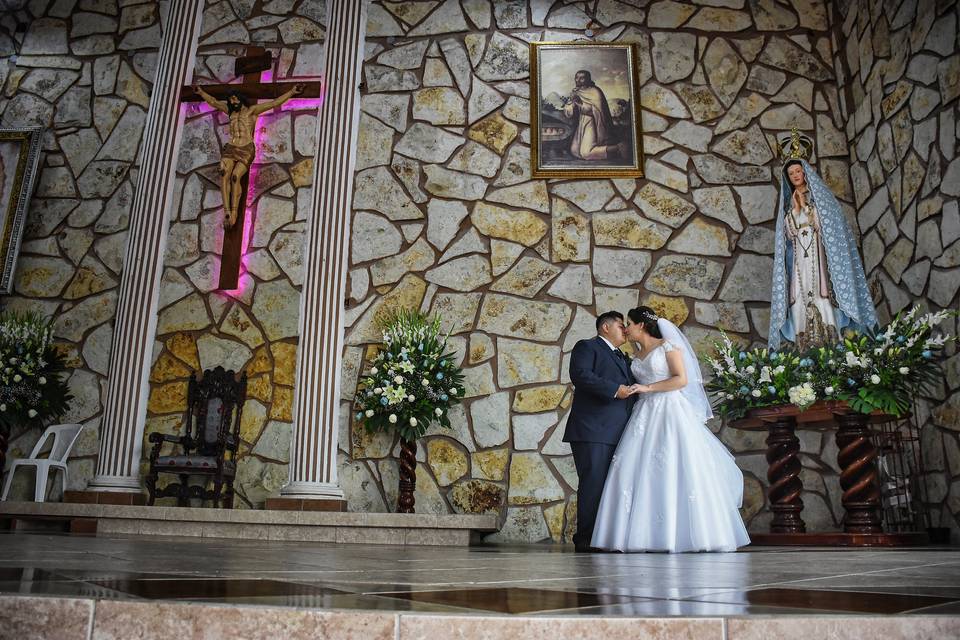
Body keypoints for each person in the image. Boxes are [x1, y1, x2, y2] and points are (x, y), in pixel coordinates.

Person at [591, 306, 750, 553]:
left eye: (629, 324)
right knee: (638, 470)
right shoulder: (635, 355)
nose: (626, 329)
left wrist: (649, 388)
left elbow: (681, 379)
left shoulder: (668, 346)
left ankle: (685, 534)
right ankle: (643, 535)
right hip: (643, 415)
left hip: (670, 411)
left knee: (676, 465)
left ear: (641, 325)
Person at [769, 128, 878, 350]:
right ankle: (803, 347)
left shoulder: (822, 200)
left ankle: (833, 343)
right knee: (799, 301)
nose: (796, 176)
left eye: (798, 171)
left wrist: (808, 208)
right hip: (799, 263)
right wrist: (796, 208)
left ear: (805, 172)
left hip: (820, 263)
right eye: (791, 174)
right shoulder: (789, 208)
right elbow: (788, 236)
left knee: (823, 298)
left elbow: (828, 227)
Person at [564, 311, 638, 552]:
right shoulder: (587, 347)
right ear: (605, 327)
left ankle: (606, 537)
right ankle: (586, 540)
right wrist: (615, 390)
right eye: (620, 325)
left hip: (619, 432)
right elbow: (581, 375)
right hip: (593, 430)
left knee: (612, 487)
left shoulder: (623, 357)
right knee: (593, 484)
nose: (624, 330)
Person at [193, 83, 304, 228]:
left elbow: (274, 102)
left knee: (235, 177)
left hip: (246, 148)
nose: (232, 102)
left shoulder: (252, 111)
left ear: (240, 98)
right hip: (231, 147)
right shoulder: (230, 112)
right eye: (230, 100)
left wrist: (291, 92)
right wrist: (201, 92)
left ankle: (234, 212)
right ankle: (227, 212)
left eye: (234, 99)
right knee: (224, 174)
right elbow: (213, 102)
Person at [562, 70, 628, 162]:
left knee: (586, 153)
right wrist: (570, 105)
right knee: (575, 151)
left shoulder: (595, 92)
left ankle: (618, 148)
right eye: (576, 78)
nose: (578, 80)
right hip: (582, 122)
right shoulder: (576, 92)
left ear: (588, 79)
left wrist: (578, 102)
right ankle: (611, 151)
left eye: (581, 78)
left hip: (593, 122)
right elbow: (569, 112)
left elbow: (594, 110)